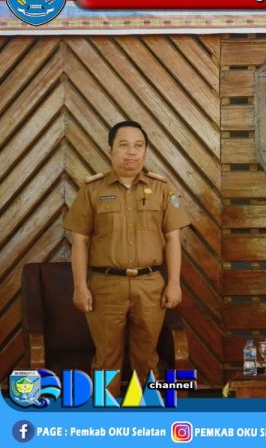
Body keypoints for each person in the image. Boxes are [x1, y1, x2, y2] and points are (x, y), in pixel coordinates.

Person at [64, 121, 189, 397]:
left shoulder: (162, 189)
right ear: (110, 150)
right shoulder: (92, 190)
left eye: (138, 146)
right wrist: (80, 286)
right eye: (123, 145)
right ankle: (104, 416)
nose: (131, 152)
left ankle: (150, 416)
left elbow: (173, 239)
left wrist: (174, 283)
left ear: (145, 151)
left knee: (147, 358)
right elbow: (80, 242)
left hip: (150, 285)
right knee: (106, 360)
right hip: (106, 286)